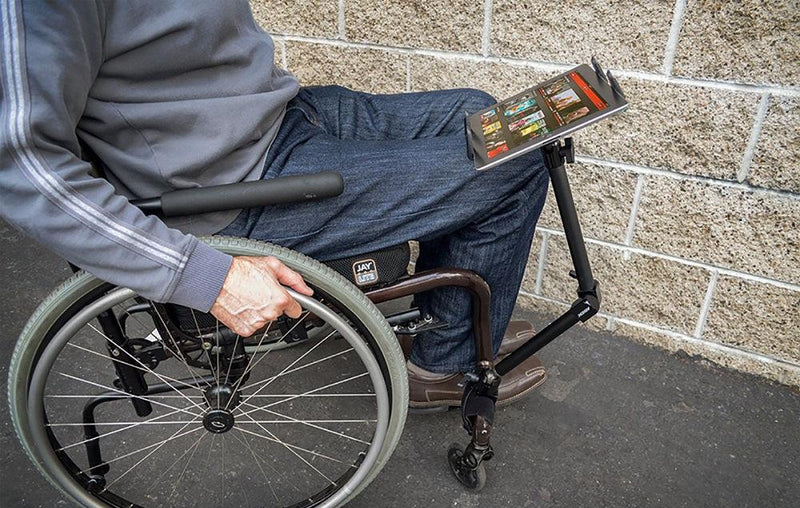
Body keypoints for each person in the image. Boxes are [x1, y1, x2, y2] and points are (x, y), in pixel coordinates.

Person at [0, 0, 548, 408]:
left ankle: (450, 326)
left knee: (480, 117)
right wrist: (203, 276)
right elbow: (22, 166)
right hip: (234, 183)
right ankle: (446, 367)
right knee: (517, 161)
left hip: (283, 115)